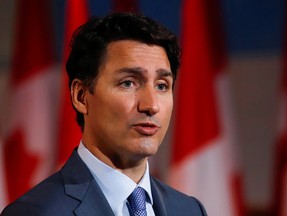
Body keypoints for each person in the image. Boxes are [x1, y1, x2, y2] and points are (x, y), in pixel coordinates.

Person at [1, 12, 207, 216]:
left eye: (162, 86)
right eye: (128, 83)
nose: (151, 105)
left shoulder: (189, 210)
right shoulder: (34, 212)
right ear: (81, 96)